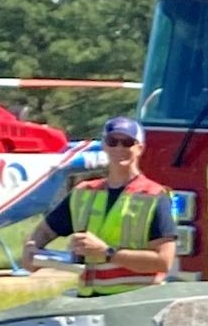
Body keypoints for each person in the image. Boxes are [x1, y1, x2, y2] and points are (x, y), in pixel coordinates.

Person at [21, 117, 177, 295]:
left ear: (140, 148)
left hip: (135, 303)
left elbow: (164, 261)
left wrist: (107, 252)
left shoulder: (155, 196)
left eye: (127, 142)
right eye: (112, 142)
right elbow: (44, 231)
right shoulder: (83, 193)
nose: (119, 148)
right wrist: (32, 249)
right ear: (104, 146)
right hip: (91, 303)